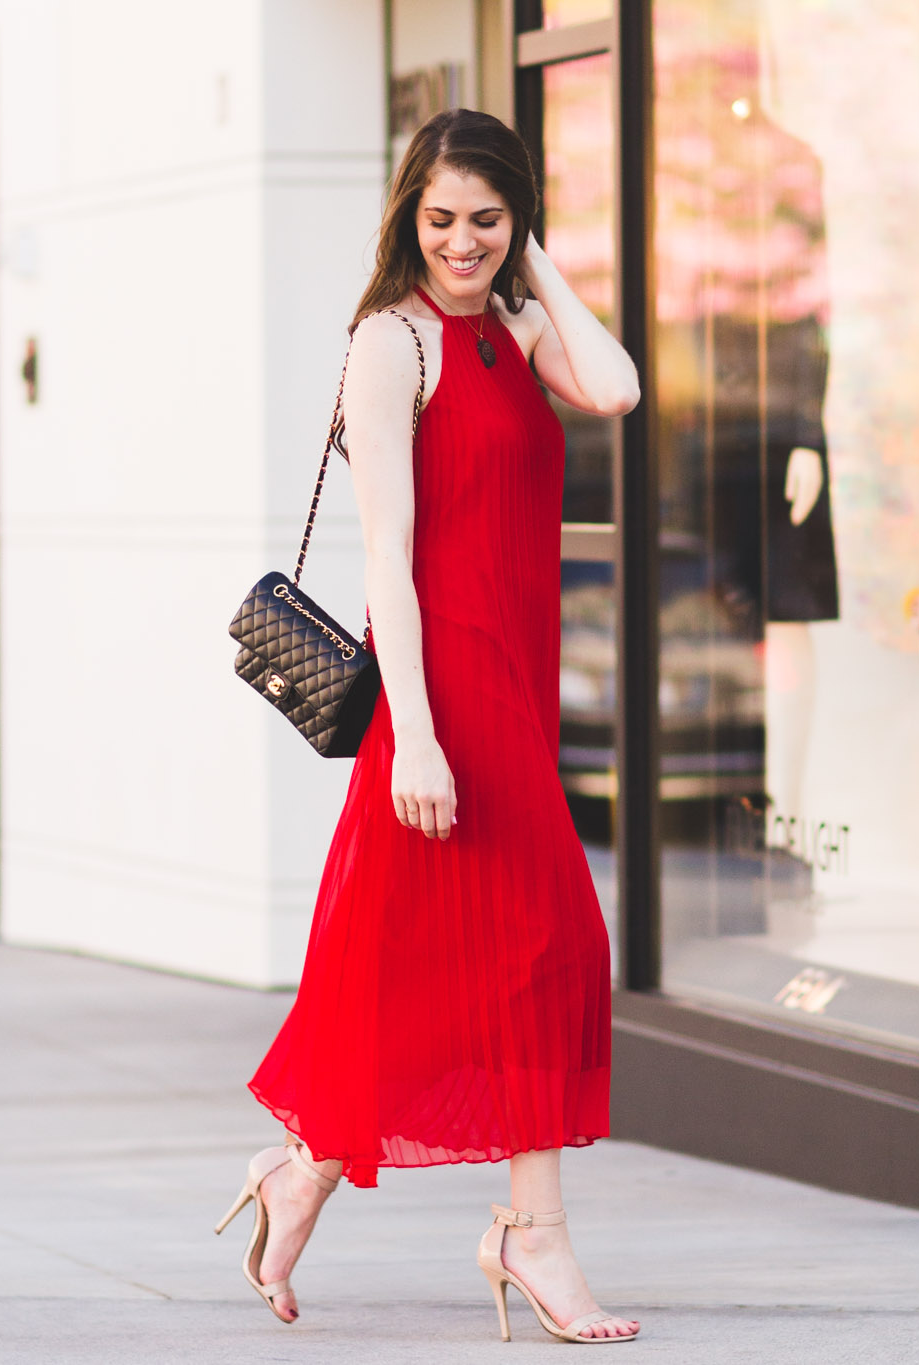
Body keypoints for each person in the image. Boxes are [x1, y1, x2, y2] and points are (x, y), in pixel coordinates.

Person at [216, 108, 642, 1344]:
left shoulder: (513, 327)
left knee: (418, 967)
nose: (460, 243)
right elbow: (387, 565)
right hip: (441, 685)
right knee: (549, 945)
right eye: (441, 218)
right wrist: (417, 732)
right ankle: (528, 1233)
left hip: (509, 676)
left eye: (486, 221)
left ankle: (296, 1177)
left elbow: (612, 385)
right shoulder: (389, 345)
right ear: (408, 213)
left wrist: (537, 267)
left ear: (516, 223)